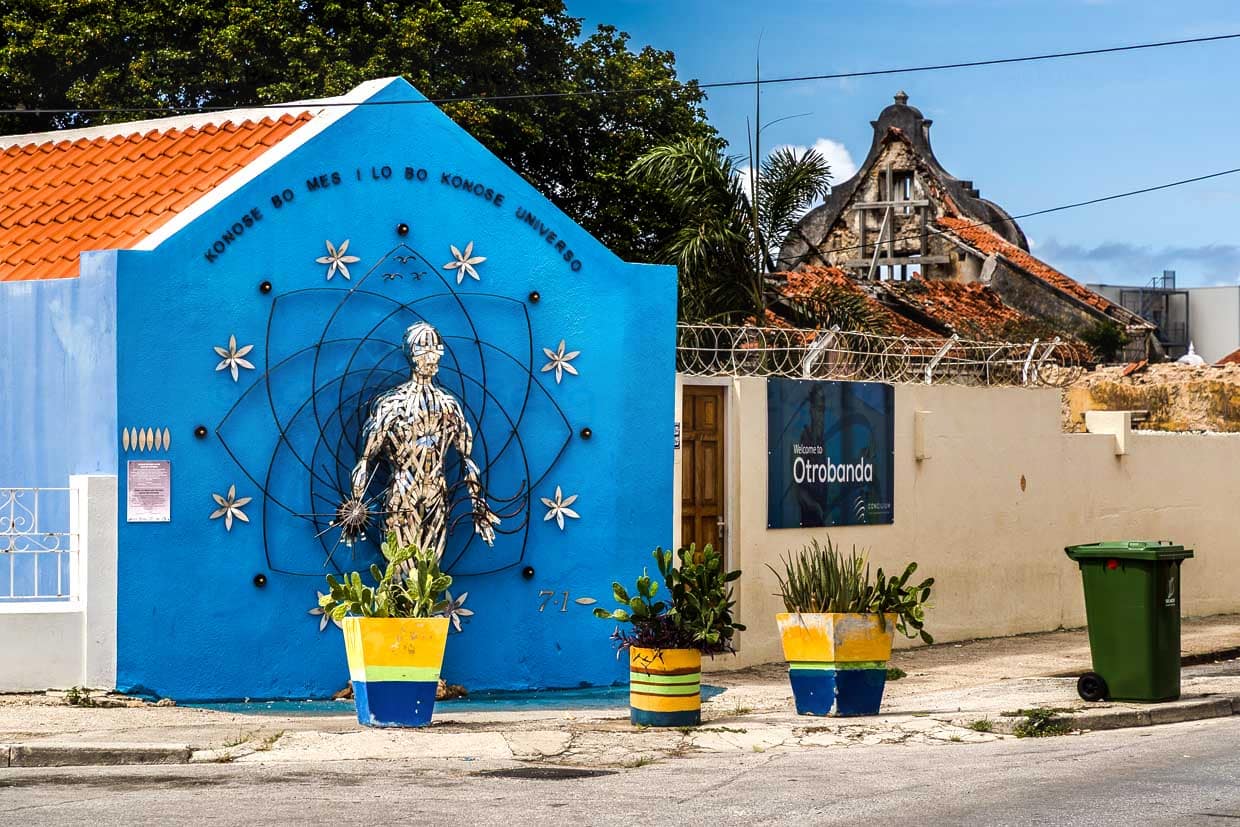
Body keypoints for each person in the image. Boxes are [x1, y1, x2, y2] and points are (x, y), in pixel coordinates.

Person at [338, 322, 499, 557]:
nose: (431, 357)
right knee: (399, 572)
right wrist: (354, 509)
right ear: (411, 353)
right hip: (401, 498)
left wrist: (479, 507)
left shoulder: (449, 406)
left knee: (430, 573)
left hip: (437, 499)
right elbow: (365, 459)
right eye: (424, 349)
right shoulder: (392, 406)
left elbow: (467, 459)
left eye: (436, 349)